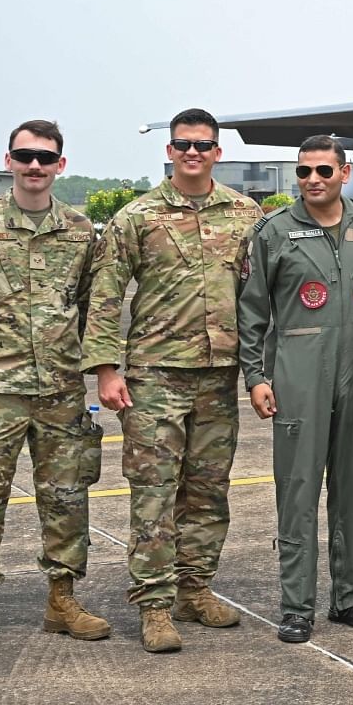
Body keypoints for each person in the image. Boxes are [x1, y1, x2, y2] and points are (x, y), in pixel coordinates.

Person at [81, 108, 262, 653]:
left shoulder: (246, 214)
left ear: (217, 152)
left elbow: (262, 294)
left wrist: (261, 367)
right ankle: (155, 605)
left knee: (208, 491)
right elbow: (106, 294)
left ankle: (195, 588)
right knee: (154, 495)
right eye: (183, 144)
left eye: (203, 145)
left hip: (218, 376)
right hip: (154, 377)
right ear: (169, 149)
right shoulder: (136, 218)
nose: (192, 153)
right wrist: (106, 369)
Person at [0, 120, 109, 657]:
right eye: (25, 156)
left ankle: (62, 600)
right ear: (8, 160)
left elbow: (96, 306)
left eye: (45, 158)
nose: (34, 166)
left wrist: (101, 368)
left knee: (67, 500)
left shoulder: (79, 230)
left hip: (60, 389)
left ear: (60, 166)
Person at [237, 136, 353, 644]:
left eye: (323, 170)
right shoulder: (275, 232)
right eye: (303, 172)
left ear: (345, 173)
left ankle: (350, 597)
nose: (313, 180)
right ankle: (296, 605)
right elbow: (252, 312)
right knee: (298, 489)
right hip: (299, 375)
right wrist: (256, 378)